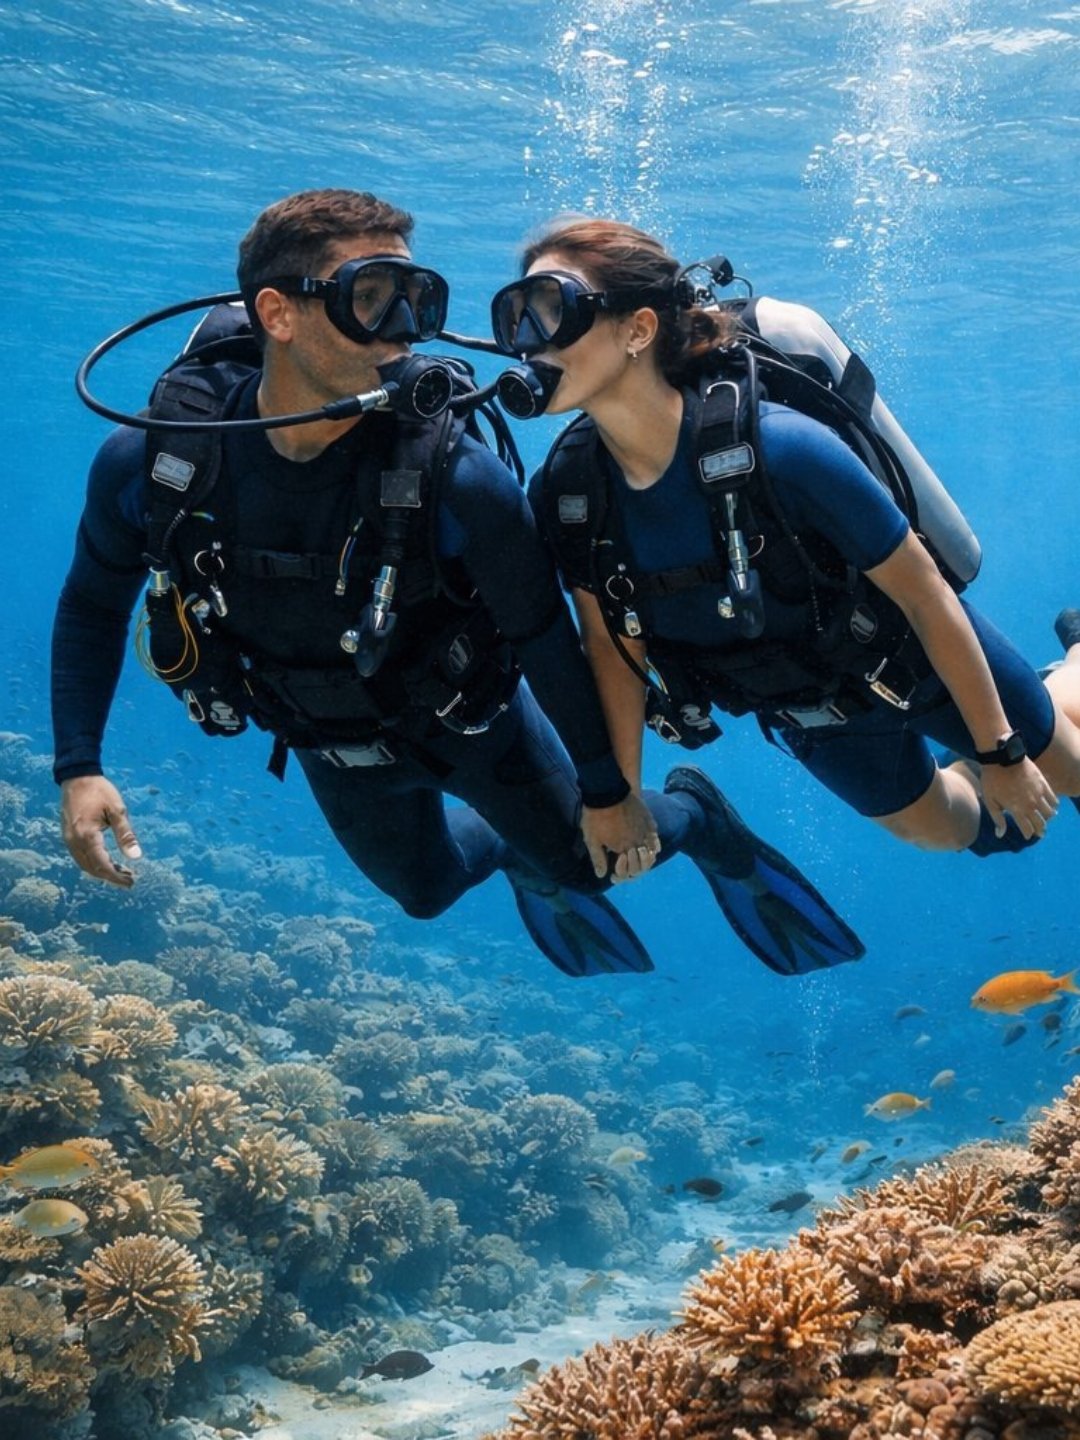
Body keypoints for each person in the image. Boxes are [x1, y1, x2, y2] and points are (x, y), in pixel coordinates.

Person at [51, 189, 864, 980]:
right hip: (327, 733)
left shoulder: (452, 472)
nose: (402, 335)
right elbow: (93, 604)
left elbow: (545, 636)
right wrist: (79, 768)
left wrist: (610, 791)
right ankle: (516, 850)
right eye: (372, 299)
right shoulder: (162, 463)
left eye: (416, 299)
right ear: (278, 314)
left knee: (592, 866)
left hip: (471, 721)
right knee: (425, 893)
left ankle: (700, 819)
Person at [493, 216, 1080, 859]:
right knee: (939, 831)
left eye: (553, 310)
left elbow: (924, 594)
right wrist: (623, 794)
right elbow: (610, 646)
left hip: (917, 655)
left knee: (1072, 773)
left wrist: (1004, 749)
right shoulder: (567, 494)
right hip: (808, 704)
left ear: (638, 329)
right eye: (517, 315)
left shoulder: (784, 448)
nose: (528, 343)